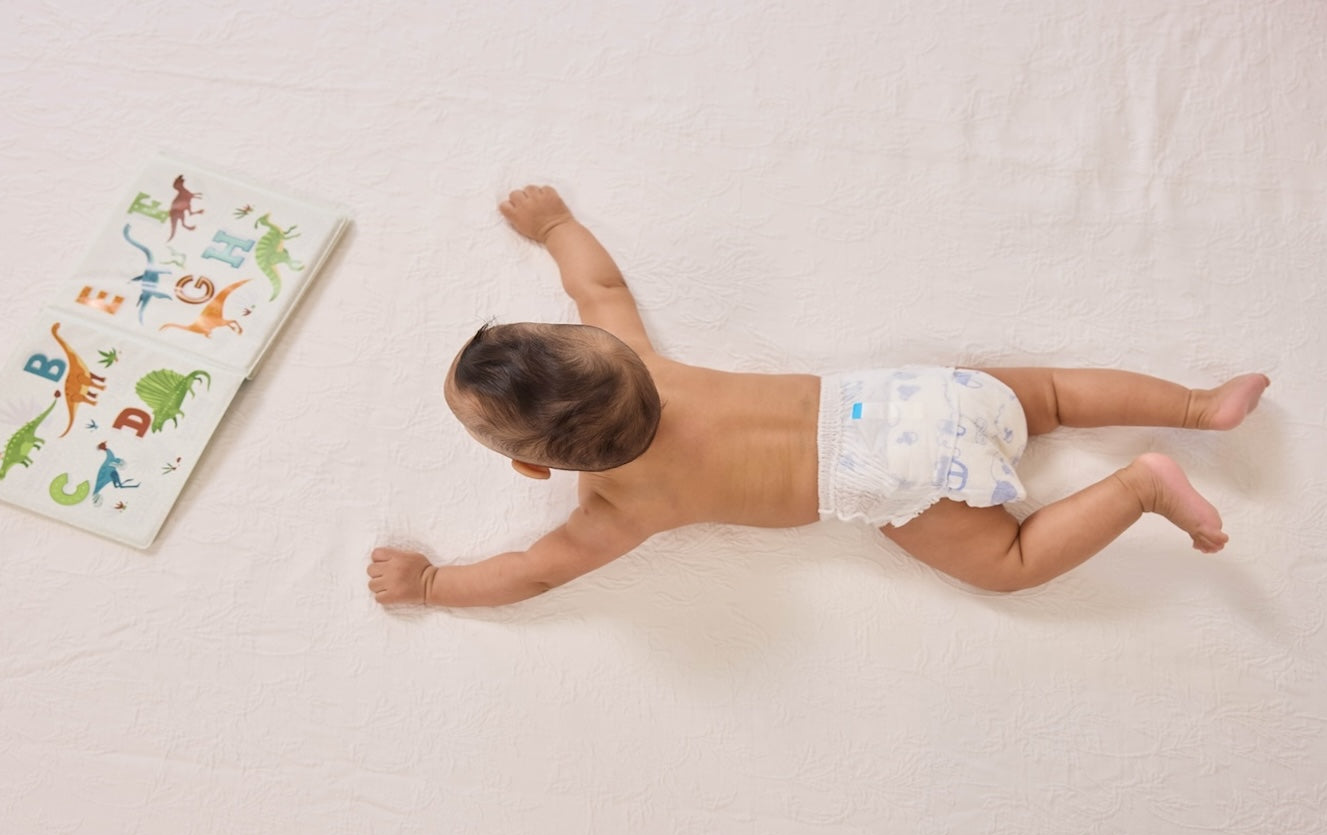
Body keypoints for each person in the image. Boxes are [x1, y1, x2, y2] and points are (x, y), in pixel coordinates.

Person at [368, 186, 1270, 607]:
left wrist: (436, 583)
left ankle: (1142, 486)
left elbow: (535, 571)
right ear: (614, 358)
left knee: (1012, 564)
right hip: (917, 398)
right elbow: (599, 290)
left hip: (891, 476)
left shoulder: (616, 508)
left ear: (532, 467)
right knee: (1051, 394)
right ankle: (1197, 407)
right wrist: (560, 226)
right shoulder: (647, 359)